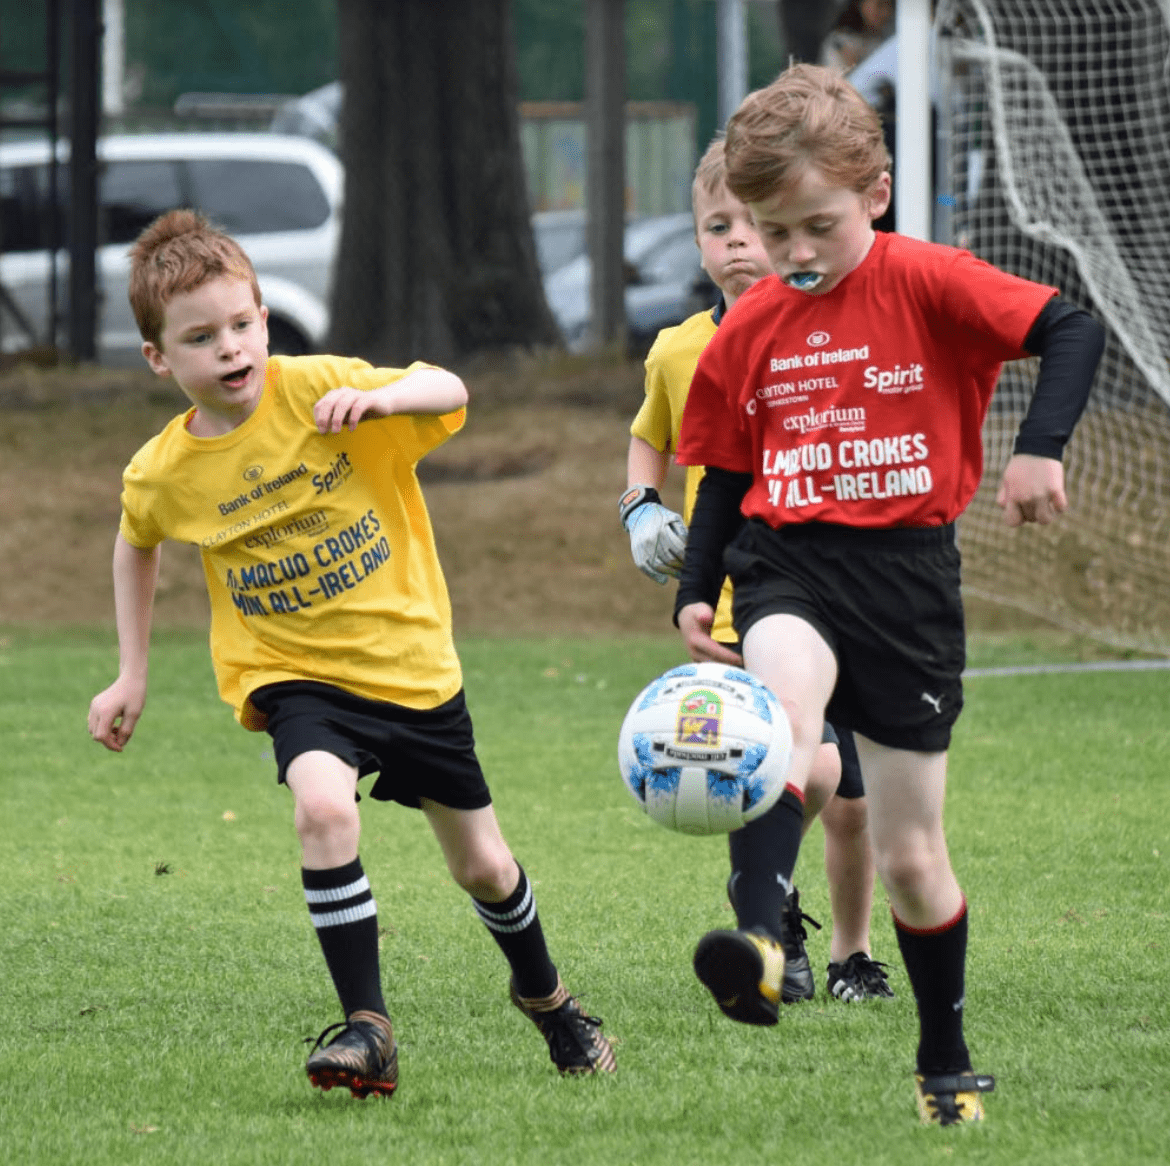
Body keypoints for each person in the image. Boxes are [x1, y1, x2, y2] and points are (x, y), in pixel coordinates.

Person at [87, 209, 616, 1098]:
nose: (230, 349)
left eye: (243, 324)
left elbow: (447, 388)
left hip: (411, 669)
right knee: (323, 810)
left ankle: (550, 999)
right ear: (158, 359)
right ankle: (367, 1028)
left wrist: (382, 399)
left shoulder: (321, 388)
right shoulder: (164, 471)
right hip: (297, 680)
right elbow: (136, 539)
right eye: (201, 337)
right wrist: (130, 671)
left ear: (265, 318)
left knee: (482, 865)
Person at [672, 64, 1104, 1125]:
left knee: (914, 855)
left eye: (815, 224)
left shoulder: (930, 278)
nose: (795, 254)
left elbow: (1072, 326)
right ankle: (766, 941)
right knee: (779, 719)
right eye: (773, 235)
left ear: (876, 192)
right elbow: (728, 467)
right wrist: (698, 585)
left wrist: (1038, 450)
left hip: (908, 583)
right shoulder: (751, 326)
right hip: (790, 564)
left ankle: (944, 1058)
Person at [620, 136, 893, 1005]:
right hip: (741, 600)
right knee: (758, 765)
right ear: (697, 242)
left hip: (845, 592)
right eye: (717, 225)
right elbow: (647, 438)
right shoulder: (676, 349)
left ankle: (851, 953)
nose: (738, 242)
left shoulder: (829, 333)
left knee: (848, 794)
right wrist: (641, 509)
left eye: (751, 224)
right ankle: (769, 939)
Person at [820, 0, 896, 74]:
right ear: (859, 4)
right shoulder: (840, 41)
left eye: (890, 6)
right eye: (880, 5)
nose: (886, 13)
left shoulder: (887, 40)